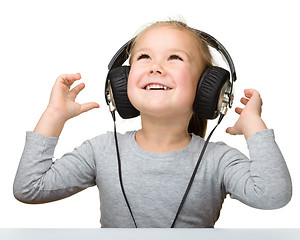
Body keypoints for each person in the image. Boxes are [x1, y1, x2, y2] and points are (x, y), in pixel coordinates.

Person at [13, 20, 292, 228]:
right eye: (144, 57)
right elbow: (29, 188)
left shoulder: (217, 160)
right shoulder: (101, 151)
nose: (155, 67)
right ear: (119, 85)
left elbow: (273, 195)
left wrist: (254, 125)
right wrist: (53, 116)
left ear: (210, 89)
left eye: (174, 58)